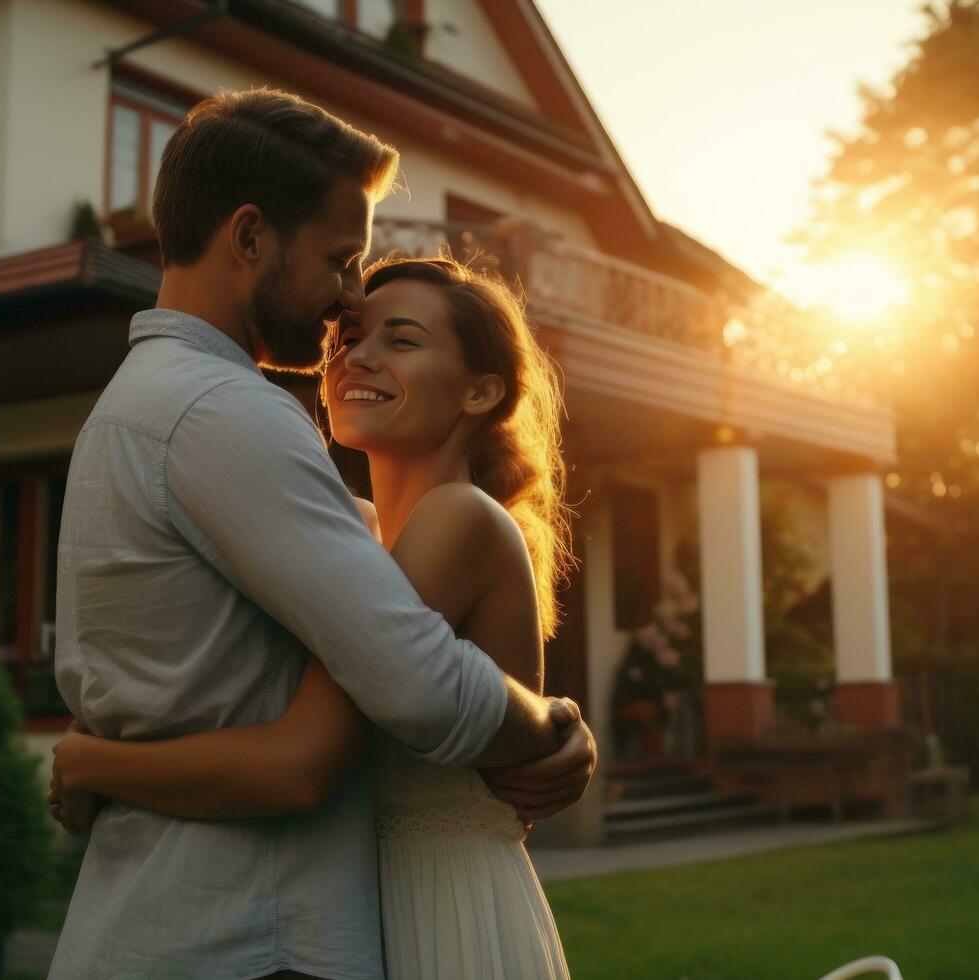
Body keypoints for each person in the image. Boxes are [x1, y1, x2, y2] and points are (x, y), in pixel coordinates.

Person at [45, 87, 594, 980]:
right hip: (244, 939)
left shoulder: (139, 408)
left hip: (199, 922)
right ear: (250, 237)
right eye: (343, 260)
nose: (347, 304)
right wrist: (551, 726)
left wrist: (90, 758)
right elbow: (406, 684)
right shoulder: (221, 411)